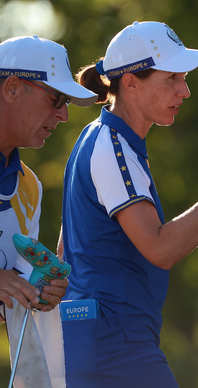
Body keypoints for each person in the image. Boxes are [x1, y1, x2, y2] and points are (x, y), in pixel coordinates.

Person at [60, 21, 198, 387]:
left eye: (184, 78)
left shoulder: (100, 137)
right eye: (171, 78)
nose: (185, 91)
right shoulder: (112, 146)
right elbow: (160, 249)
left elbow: (67, 249)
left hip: (100, 342)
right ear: (131, 82)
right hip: (115, 345)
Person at [0, 35, 97, 386]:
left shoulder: (29, 187)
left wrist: (38, 292)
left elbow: (11, 292)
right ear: (12, 88)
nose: (64, 114)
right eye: (56, 98)